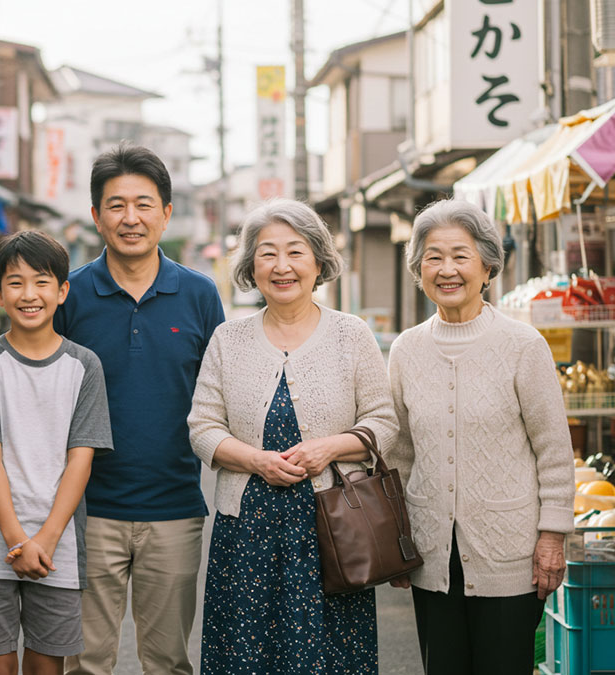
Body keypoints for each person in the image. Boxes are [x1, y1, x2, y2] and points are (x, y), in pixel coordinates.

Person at [188, 198, 398, 674]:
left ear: (319, 262)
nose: (282, 266)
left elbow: (384, 422)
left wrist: (331, 447)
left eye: (296, 252)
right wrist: (255, 460)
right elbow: (202, 428)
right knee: (247, 655)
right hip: (247, 532)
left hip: (332, 528)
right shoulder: (228, 339)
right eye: (267, 253)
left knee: (327, 657)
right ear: (251, 266)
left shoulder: (351, 334)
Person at [53, 142, 224, 675]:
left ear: (167, 213)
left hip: (174, 509)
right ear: (97, 216)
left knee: (169, 662)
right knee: (84, 664)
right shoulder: (69, 295)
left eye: (144, 204)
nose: (131, 218)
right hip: (87, 511)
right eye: (117, 205)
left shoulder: (199, 294)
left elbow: (219, 395)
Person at [386, 199, 573, 675]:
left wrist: (553, 536)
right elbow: (401, 453)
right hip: (432, 556)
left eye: (460, 256)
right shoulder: (406, 350)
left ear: (488, 266)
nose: (447, 269)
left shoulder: (522, 345)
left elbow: (554, 451)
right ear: (418, 268)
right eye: (433, 257)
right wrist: (399, 542)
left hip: (510, 554)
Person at [0, 230, 113, 675]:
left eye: (42, 282)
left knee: (47, 665)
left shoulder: (84, 366)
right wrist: (16, 540)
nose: (29, 294)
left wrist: (42, 540)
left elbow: (80, 461)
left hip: (57, 542)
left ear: (62, 291)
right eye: (15, 282)